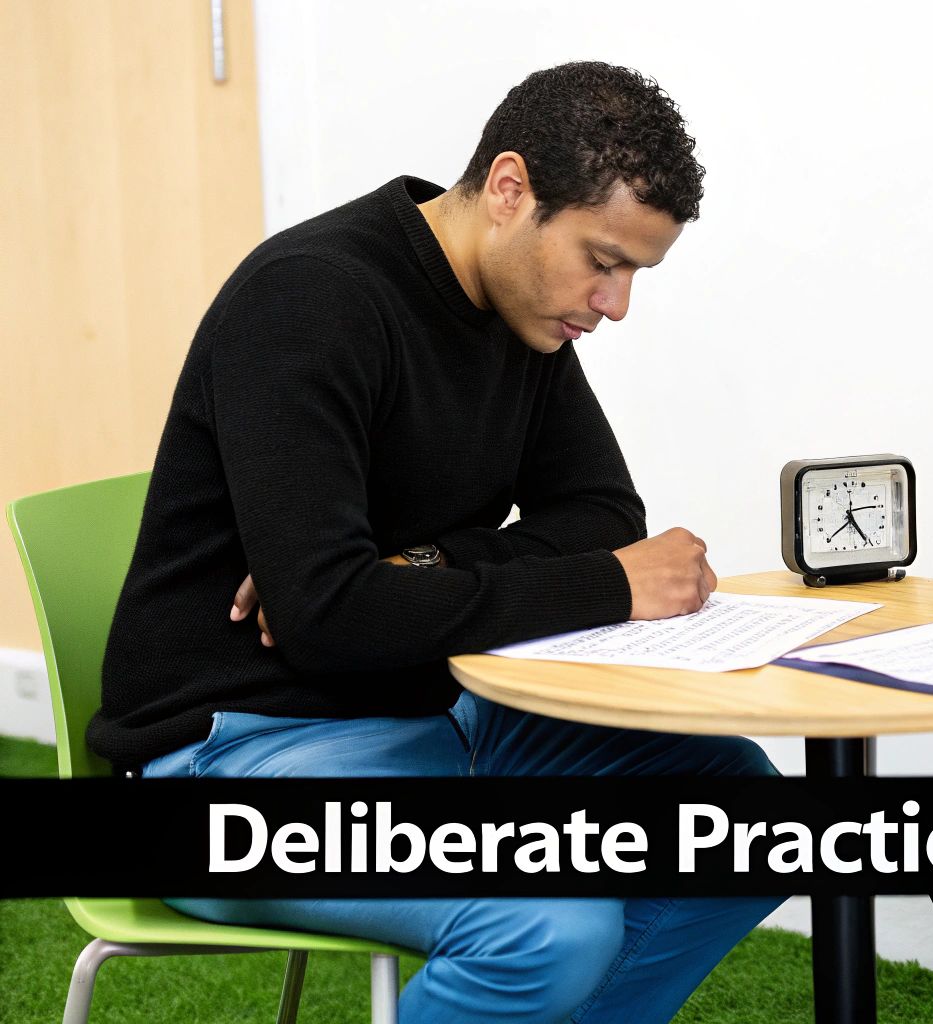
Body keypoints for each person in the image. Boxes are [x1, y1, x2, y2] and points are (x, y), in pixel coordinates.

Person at [90, 62, 780, 1024]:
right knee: (546, 922)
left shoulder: (526, 316)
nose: (614, 303)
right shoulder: (309, 300)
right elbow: (327, 622)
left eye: (633, 273)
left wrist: (415, 568)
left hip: (435, 711)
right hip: (231, 759)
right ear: (510, 190)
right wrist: (603, 587)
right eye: (603, 260)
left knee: (744, 817)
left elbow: (598, 517)